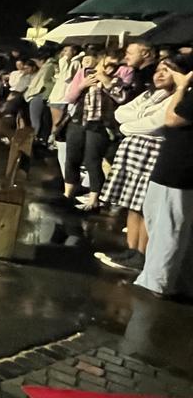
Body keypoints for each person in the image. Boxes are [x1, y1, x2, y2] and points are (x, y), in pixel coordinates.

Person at [95, 57, 181, 273]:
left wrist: (128, 126)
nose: (160, 75)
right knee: (132, 205)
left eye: (167, 71)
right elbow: (120, 112)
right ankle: (131, 250)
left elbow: (156, 124)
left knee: (144, 207)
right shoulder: (150, 94)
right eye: (158, 70)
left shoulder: (177, 97)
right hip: (134, 152)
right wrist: (139, 115)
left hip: (152, 152)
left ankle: (142, 254)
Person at [133, 55, 193, 299]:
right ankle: (170, 279)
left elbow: (171, 119)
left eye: (172, 70)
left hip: (180, 170)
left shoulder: (188, 94)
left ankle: (158, 282)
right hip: (172, 167)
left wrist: (180, 88)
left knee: (168, 227)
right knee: (161, 222)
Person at [62, 53, 126, 210]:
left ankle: (94, 198)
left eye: (114, 65)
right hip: (78, 120)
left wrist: (106, 81)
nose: (110, 68)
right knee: (72, 157)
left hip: (100, 125)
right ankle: (67, 193)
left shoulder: (116, 80)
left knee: (92, 160)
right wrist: (82, 86)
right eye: (107, 64)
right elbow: (69, 97)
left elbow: (121, 98)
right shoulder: (84, 74)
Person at [25, 53, 59, 143]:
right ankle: (40, 139)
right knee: (43, 120)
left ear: (41, 60)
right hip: (45, 96)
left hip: (40, 94)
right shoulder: (52, 65)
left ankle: (34, 140)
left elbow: (43, 81)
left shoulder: (48, 66)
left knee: (36, 120)